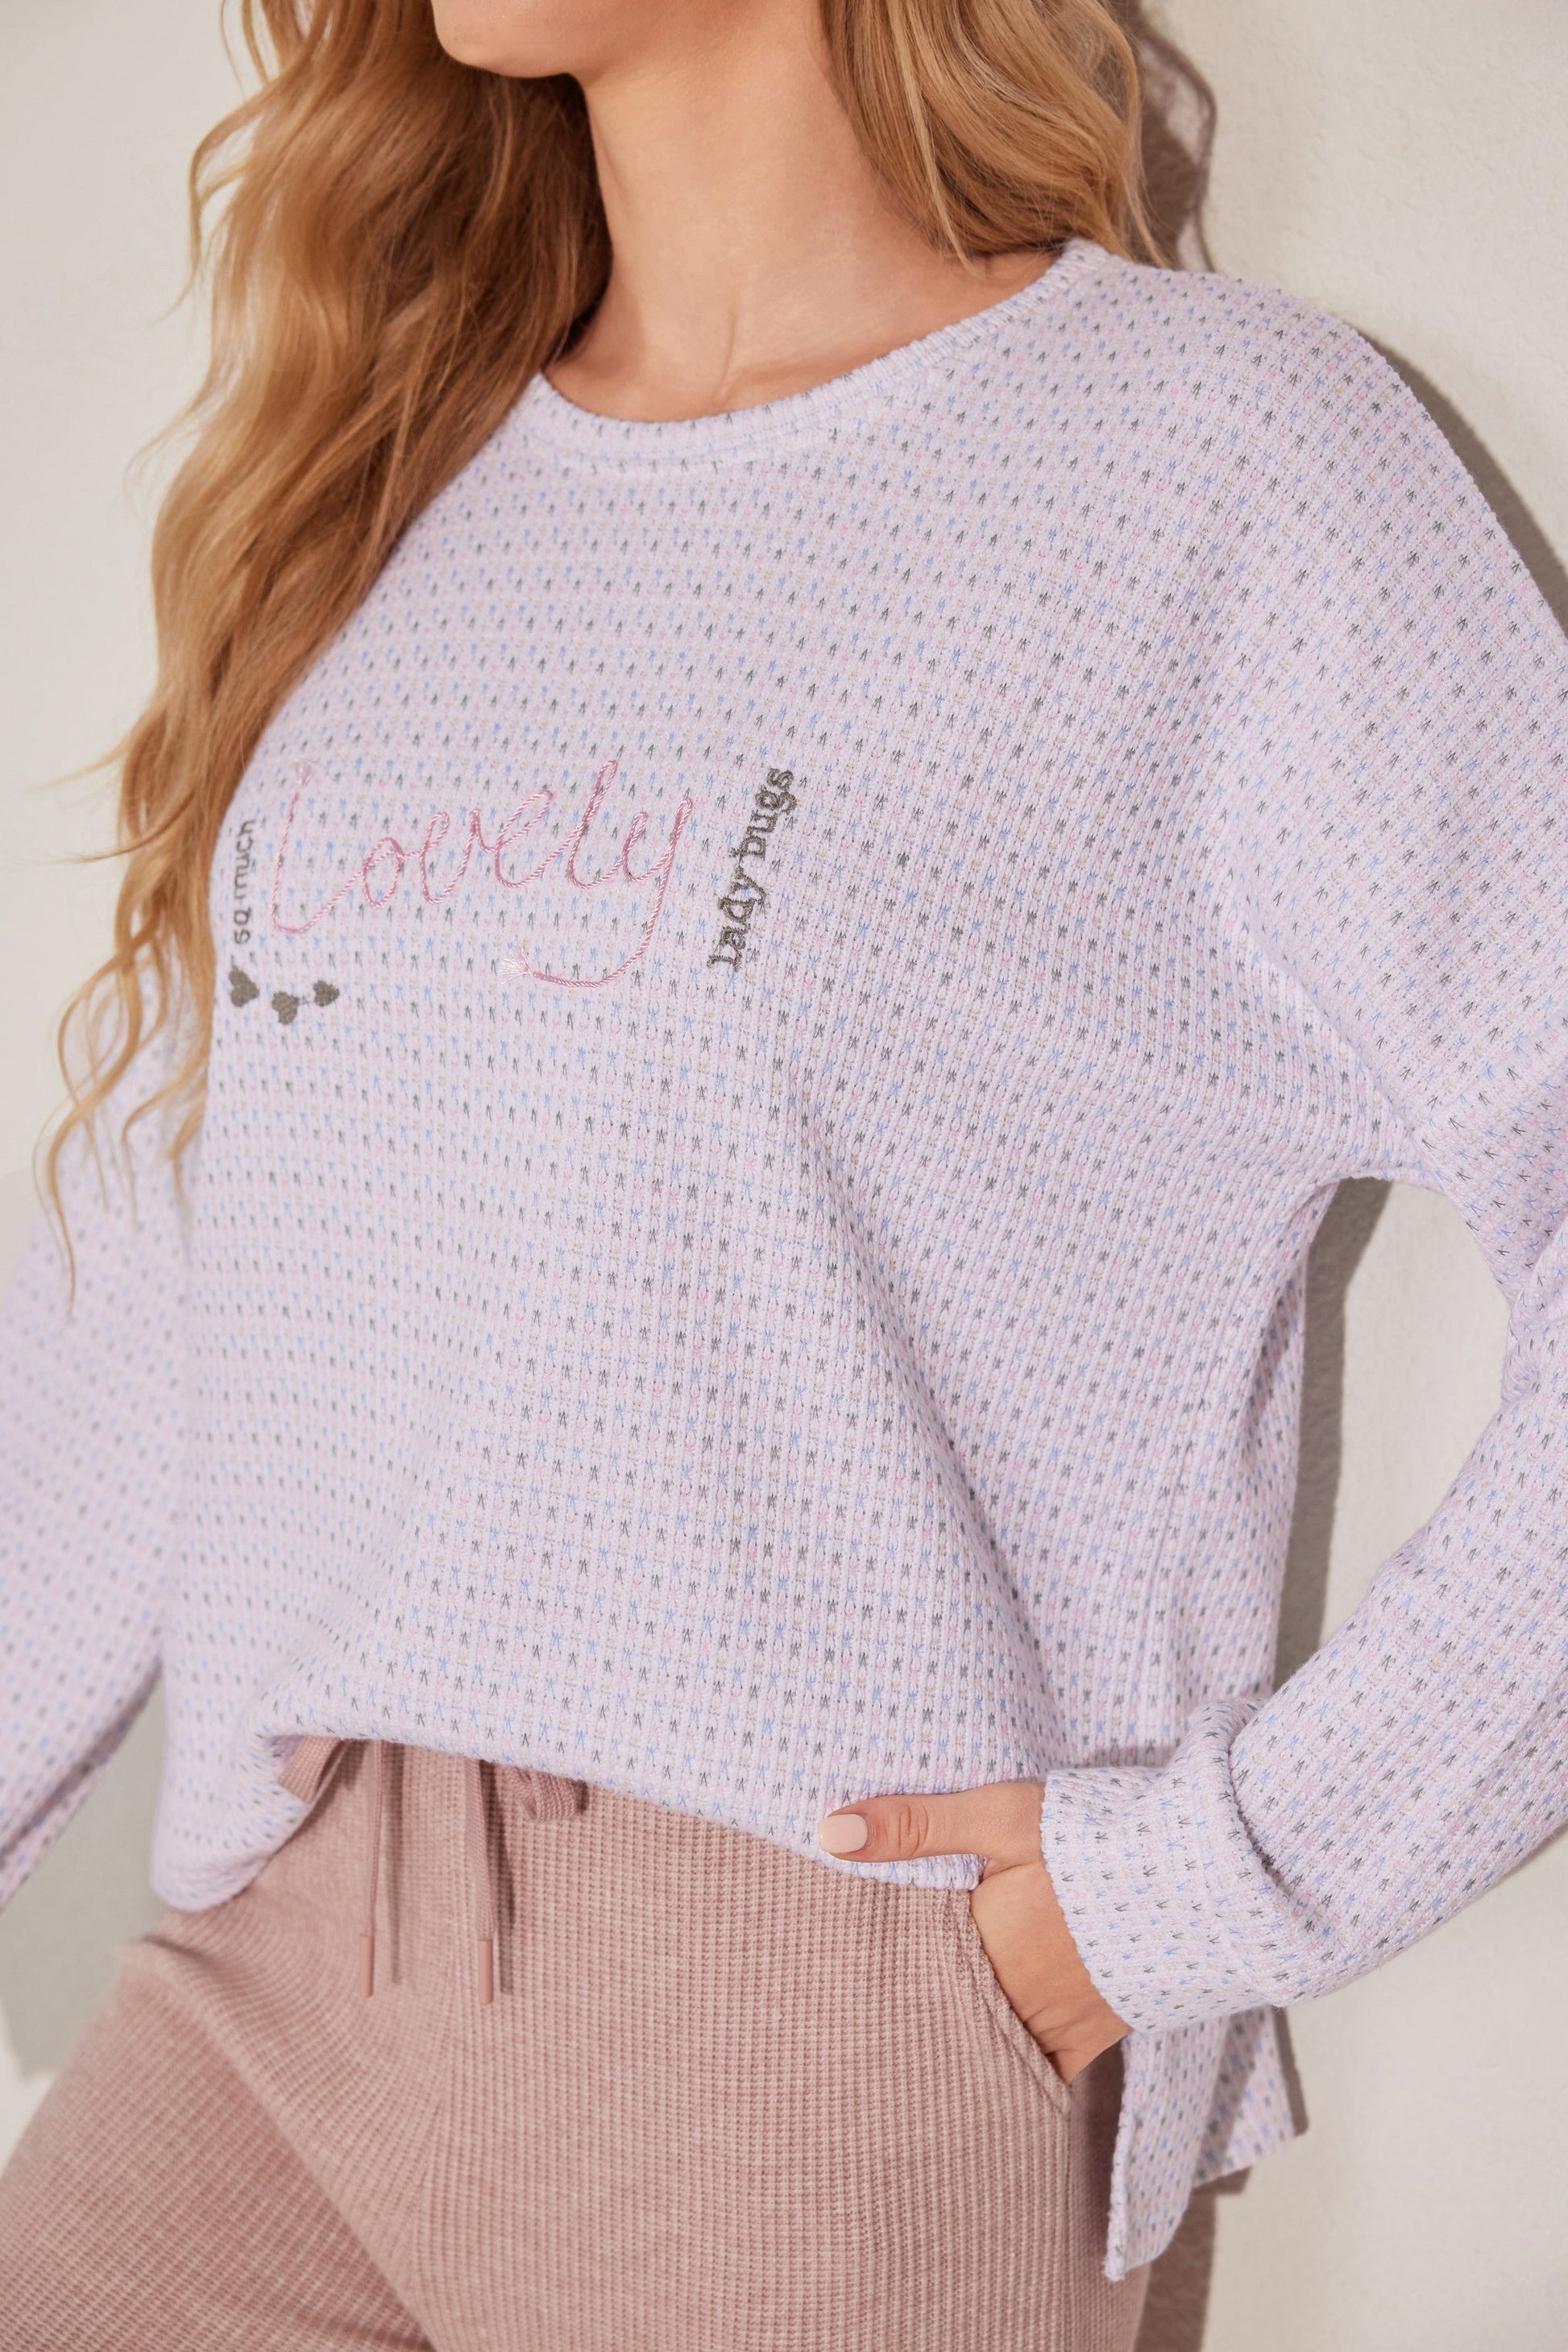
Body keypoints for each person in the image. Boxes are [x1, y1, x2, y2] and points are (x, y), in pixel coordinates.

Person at [1, 0, 1563, 2343]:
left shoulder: (1205, 458)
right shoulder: (392, 482)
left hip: (813, 2003)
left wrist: (1186, 1888)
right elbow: (176, 1289)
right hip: (278, 1948)